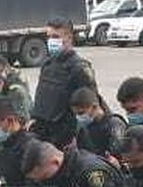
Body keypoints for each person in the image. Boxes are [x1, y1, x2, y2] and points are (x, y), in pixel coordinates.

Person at [29, 15, 95, 146]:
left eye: (56, 37)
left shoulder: (79, 68)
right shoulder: (47, 64)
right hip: (44, 133)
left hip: (65, 137)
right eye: (49, 37)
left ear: (69, 38)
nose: (51, 41)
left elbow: (90, 106)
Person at [71, 87, 128, 159]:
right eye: (76, 114)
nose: (78, 117)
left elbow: (120, 154)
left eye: (81, 113)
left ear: (94, 107)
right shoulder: (83, 128)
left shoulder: (114, 124)